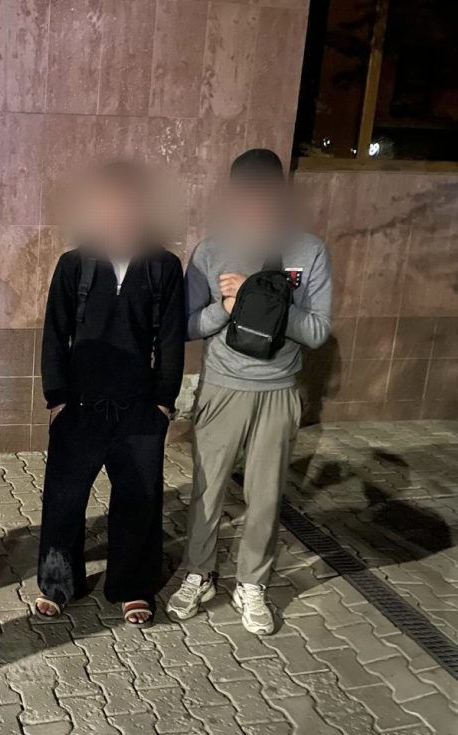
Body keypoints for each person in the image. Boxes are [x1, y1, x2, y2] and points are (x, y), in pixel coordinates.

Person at [167, 148, 332, 635]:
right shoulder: (211, 251)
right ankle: (198, 572)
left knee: (265, 495)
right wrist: (225, 307)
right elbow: (184, 325)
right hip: (223, 388)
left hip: (279, 390)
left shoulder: (308, 250)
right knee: (208, 489)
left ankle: (252, 583)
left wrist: (257, 299)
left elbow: (317, 330)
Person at [36, 161, 185, 626]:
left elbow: (172, 340)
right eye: (108, 201)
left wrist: (163, 402)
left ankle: (132, 587)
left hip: (139, 408)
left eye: (127, 200)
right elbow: (54, 334)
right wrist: (57, 398)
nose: (118, 210)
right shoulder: (74, 265)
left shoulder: (163, 266)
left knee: (138, 502)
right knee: (63, 502)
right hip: (79, 407)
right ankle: (59, 584)